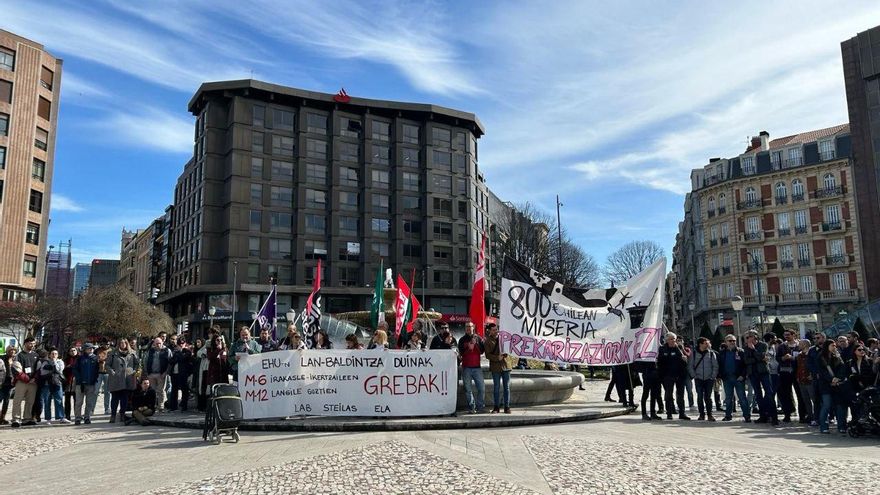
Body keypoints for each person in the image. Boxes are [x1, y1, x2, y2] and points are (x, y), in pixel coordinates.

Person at [743, 331, 778, 426]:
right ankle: (763, 416)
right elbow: (746, 360)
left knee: (769, 393)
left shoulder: (763, 345)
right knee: (758, 395)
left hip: (763, 372)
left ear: (755, 337)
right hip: (753, 373)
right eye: (746, 338)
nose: (747, 339)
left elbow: (763, 356)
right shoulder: (746, 348)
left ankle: (774, 417)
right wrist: (758, 359)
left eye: (749, 337)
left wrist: (754, 350)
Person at [657, 332, 690, 420]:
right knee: (668, 395)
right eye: (671, 339)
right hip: (668, 376)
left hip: (679, 375)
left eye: (674, 339)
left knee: (680, 395)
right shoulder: (662, 349)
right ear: (667, 340)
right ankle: (669, 413)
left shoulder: (679, 348)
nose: (673, 341)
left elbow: (686, 359)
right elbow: (660, 362)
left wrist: (684, 359)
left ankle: (682, 413)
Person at [105, 339, 139, 424]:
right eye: (121, 343)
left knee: (124, 398)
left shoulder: (132, 353)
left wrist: (134, 371)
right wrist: (112, 372)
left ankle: (122, 414)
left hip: (127, 378)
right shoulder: (112, 353)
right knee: (115, 398)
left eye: (124, 343)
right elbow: (107, 365)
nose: (123, 344)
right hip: (116, 378)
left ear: (127, 344)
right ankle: (113, 415)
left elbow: (137, 364)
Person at [816, 340, 847, 434]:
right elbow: (821, 372)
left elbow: (842, 368)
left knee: (839, 405)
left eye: (835, 345)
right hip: (825, 385)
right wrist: (831, 379)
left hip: (837, 384)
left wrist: (837, 378)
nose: (834, 347)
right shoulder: (820, 357)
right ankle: (824, 426)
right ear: (827, 346)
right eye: (832, 345)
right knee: (827, 405)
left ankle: (841, 426)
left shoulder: (837, 356)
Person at [718, 334, 750, 422]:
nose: (732, 342)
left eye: (734, 341)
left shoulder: (740, 352)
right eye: (730, 341)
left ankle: (747, 416)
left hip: (738, 378)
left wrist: (742, 376)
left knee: (742, 398)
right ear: (726, 342)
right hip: (727, 378)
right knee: (728, 398)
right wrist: (721, 375)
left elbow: (745, 365)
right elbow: (719, 365)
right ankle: (728, 415)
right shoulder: (722, 353)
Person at [11, 337, 39, 427]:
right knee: (17, 400)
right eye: (31, 343)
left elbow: (38, 369)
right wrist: (27, 379)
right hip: (22, 381)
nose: (32, 345)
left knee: (30, 401)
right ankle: (16, 419)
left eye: (34, 343)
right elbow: (16, 369)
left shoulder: (36, 355)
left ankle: (27, 418)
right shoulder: (19, 355)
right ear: (26, 343)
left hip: (33, 382)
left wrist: (34, 378)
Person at [688, 337, 718, 421]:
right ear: (700, 344)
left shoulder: (711, 353)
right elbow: (690, 366)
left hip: (709, 378)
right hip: (698, 378)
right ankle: (701, 414)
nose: (708, 344)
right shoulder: (694, 353)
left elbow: (715, 366)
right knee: (700, 397)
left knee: (708, 397)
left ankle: (710, 414)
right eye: (706, 343)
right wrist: (694, 376)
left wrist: (713, 376)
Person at [458, 321, 485, 413]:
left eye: (470, 326)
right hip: (466, 368)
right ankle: (472, 407)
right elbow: (461, 353)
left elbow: (482, 351)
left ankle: (480, 406)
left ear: (473, 327)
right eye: (466, 327)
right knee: (468, 389)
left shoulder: (479, 338)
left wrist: (476, 344)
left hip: (477, 367)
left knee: (481, 388)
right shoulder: (462, 340)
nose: (468, 328)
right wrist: (468, 348)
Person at [483, 323, 511, 414]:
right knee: (496, 388)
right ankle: (496, 407)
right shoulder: (487, 341)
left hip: (506, 366)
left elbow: (510, 348)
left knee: (506, 387)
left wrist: (506, 353)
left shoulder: (504, 338)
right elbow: (487, 355)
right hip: (495, 367)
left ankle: (507, 407)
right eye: (494, 330)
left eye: (496, 329)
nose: (496, 331)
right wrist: (496, 358)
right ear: (489, 331)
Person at [39, 349, 69, 424]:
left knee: (59, 400)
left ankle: (61, 417)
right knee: (47, 401)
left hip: (57, 383)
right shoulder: (45, 362)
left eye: (55, 354)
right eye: (52, 353)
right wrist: (52, 369)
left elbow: (59, 370)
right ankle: (48, 418)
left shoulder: (60, 362)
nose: (54, 355)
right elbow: (43, 372)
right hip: (47, 384)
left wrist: (54, 362)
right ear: (49, 355)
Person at [776, 329, 800, 423]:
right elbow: (777, 358)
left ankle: (803, 414)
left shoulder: (799, 345)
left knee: (800, 393)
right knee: (785, 393)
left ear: (793, 335)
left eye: (788, 335)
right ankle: (787, 413)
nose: (786, 336)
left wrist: (793, 358)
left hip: (797, 371)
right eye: (785, 335)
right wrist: (783, 358)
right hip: (784, 371)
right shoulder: (782, 346)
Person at [73, 343, 100, 425]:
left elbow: (97, 370)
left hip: (91, 384)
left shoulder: (95, 358)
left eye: (92, 348)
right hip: (80, 384)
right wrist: (80, 380)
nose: (91, 349)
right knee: (78, 402)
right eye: (89, 348)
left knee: (89, 402)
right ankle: (77, 418)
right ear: (84, 349)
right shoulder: (80, 358)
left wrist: (95, 379)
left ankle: (87, 417)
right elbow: (75, 370)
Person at [144, 337, 172, 413]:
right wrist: (147, 373)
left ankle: (161, 407)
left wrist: (166, 372)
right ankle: (153, 406)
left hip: (161, 374)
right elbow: (145, 361)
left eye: (159, 343)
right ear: (154, 344)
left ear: (162, 343)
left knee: (161, 391)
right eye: (156, 343)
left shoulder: (167, 350)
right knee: (153, 392)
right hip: (151, 374)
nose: (158, 345)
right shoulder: (150, 351)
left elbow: (170, 362)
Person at [847, 344, 874, 422]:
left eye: (863, 350)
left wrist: (859, 379)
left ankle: (868, 421)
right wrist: (857, 379)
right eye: (859, 350)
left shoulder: (869, 361)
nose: (862, 351)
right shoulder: (851, 362)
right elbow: (850, 375)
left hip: (867, 386)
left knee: (866, 405)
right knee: (855, 404)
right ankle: (855, 421)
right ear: (854, 351)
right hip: (855, 386)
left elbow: (871, 375)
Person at [807, 332, 827, 426]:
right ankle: (816, 418)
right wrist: (815, 373)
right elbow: (809, 363)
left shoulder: (828, 348)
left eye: (818, 338)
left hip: (827, 378)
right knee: (816, 399)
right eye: (814, 338)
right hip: (816, 378)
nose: (815, 340)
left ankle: (830, 417)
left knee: (828, 399)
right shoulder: (812, 350)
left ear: (823, 338)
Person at [168, 340, 194, 412]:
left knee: (184, 390)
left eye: (182, 343)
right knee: (174, 390)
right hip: (174, 373)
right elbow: (171, 361)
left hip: (183, 373)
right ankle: (173, 406)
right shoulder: (175, 352)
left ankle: (184, 406)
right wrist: (177, 356)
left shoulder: (187, 352)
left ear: (185, 344)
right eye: (179, 344)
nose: (181, 345)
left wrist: (178, 355)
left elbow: (183, 358)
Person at [795, 339, 815, 425]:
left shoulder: (812, 354)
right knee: (806, 400)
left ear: (805, 345)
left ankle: (817, 416)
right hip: (801, 380)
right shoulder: (799, 355)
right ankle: (810, 416)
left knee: (814, 399)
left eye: (800, 344)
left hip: (810, 380)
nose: (799, 345)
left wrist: (813, 375)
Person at [0, 345, 16, 424]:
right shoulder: (2, 358)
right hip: (2, 383)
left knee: (6, 402)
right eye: (10, 350)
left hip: (10, 385)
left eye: (13, 350)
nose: (12, 352)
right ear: (7, 351)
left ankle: (2, 418)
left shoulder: (15, 360)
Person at [63, 347, 79, 420]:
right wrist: (67, 367)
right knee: (67, 400)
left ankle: (77, 415)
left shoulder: (80, 359)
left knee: (77, 400)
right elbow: (63, 370)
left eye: (74, 350)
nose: (73, 352)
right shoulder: (66, 360)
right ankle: (67, 415)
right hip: (68, 381)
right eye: (71, 350)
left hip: (77, 381)